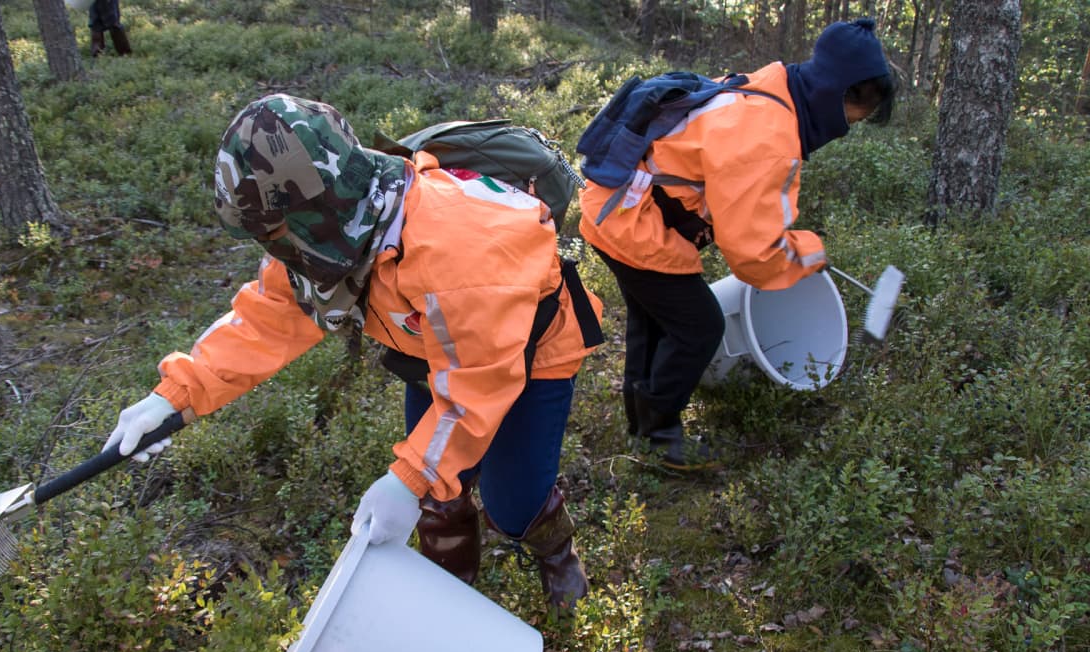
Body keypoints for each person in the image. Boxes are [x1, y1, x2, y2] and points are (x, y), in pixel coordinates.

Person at [103, 94, 604, 612]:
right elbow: (270, 313)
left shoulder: (457, 251)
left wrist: (409, 479)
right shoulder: (327, 232)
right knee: (437, 491)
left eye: (272, 229)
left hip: (529, 354)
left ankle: (553, 548)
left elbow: (479, 382)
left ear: (322, 205)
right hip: (436, 351)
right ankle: (451, 596)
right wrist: (177, 395)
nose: (271, 246)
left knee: (510, 501)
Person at [578, 18, 896, 470]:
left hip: (618, 208)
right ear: (835, 93)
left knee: (655, 318)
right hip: (632, 222)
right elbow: (754, 256)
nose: (847, 127)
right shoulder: (768, 135)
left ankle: (643, 426)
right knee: (700, 325)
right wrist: (808, 252)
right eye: (852, 116)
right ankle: (662, 439)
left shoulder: (774, 87)